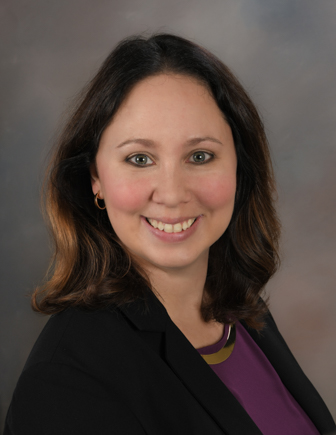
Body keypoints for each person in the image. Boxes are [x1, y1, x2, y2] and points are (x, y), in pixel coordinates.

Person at [4, 33, 335, 435]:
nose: (173, 193)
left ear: (239, 167)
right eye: (139, 159)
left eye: (200, 156)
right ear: (95, 177)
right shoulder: (66, 382)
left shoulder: (243, 315)